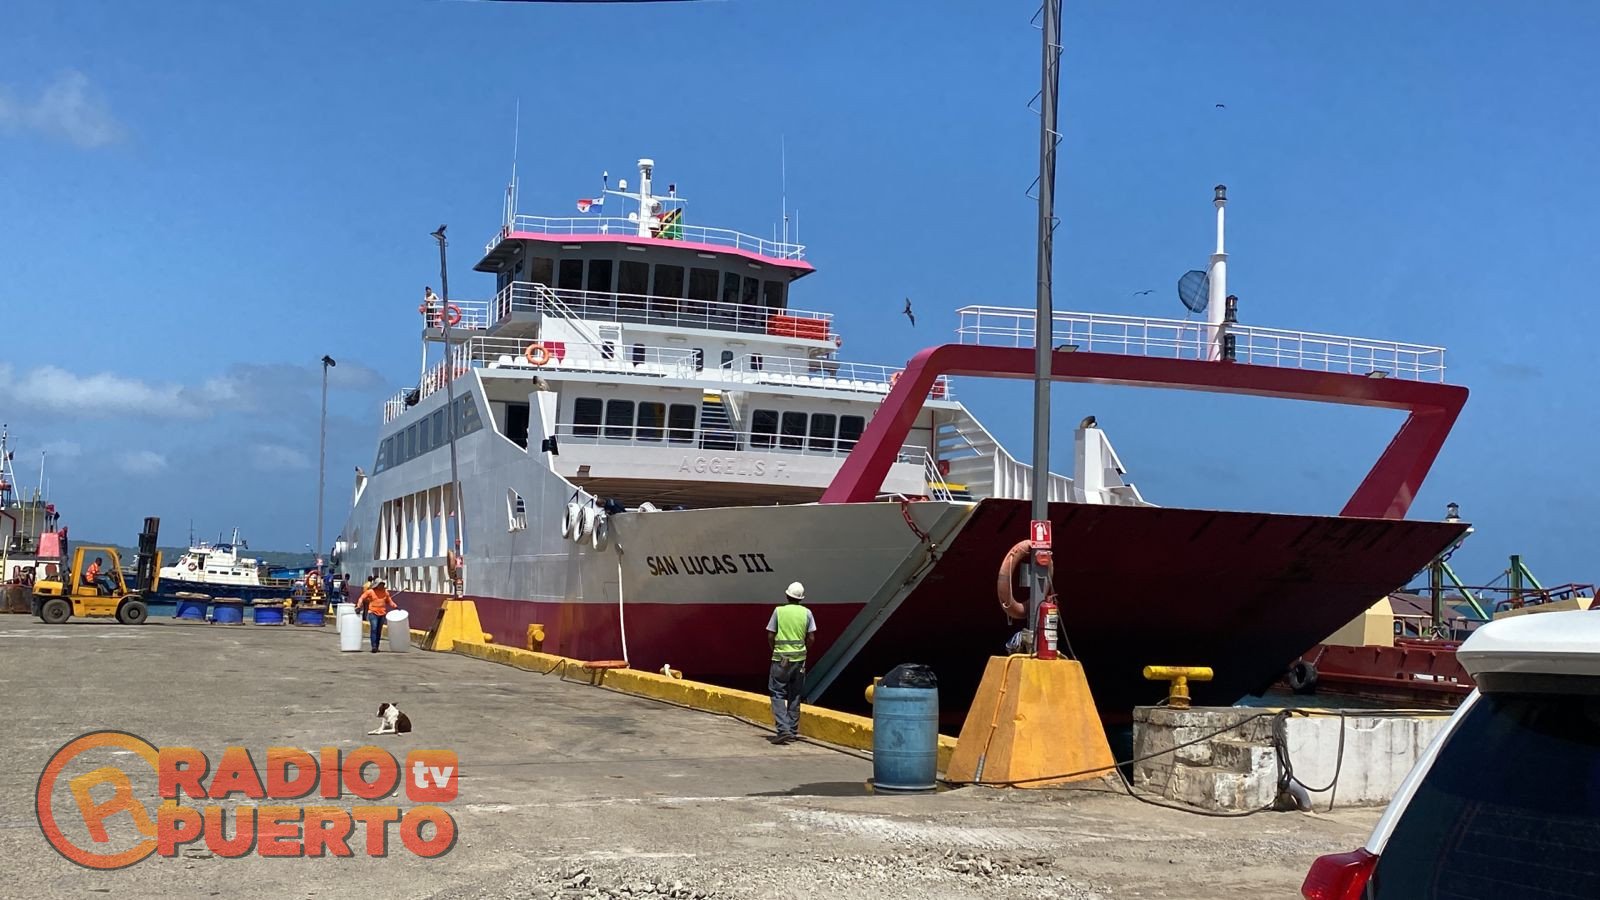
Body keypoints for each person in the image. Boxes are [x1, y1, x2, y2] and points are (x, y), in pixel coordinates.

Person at [765, 582, 816, 745]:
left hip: (781, 659)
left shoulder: (779, 611)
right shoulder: (807, 613)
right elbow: (811, 638)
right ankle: (792, 731)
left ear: (787, 596)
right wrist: (803, 651)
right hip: (799, 660)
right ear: (801, 598)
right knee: (795, 694)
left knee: (777, 693)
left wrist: (775, 650)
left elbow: (770, 635)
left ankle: (783, 729)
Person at [357, 579, 396, 653]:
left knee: (379, 630)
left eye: (382, 584)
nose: (382, 586)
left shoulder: (385, 592)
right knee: (374, 629)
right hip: (373, 613)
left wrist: (395, 606)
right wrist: (358, 606)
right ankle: (374, 646)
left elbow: (389, 601)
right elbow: (361, 598)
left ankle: (377, 646)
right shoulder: (370, 592)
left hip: (382, 614)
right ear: (376, 585)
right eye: (380, 584)